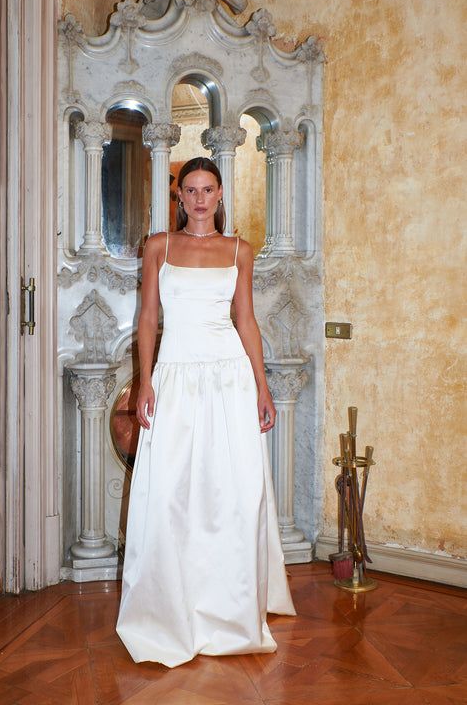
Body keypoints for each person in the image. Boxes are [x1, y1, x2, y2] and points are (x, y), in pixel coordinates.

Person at [116, 157, 296, 667]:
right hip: (175, 376)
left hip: (228, 379)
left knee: (232, 490)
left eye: (207, 189)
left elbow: (247, 320)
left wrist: (262, 387)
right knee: (171, 491)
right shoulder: (158, 246)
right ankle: (171, 605)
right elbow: (148, 317)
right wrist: (146, 378)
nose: (198, 198)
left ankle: (229, 606)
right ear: (180, 197)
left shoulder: (240, 250)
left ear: (220, 194)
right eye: (189, 190)